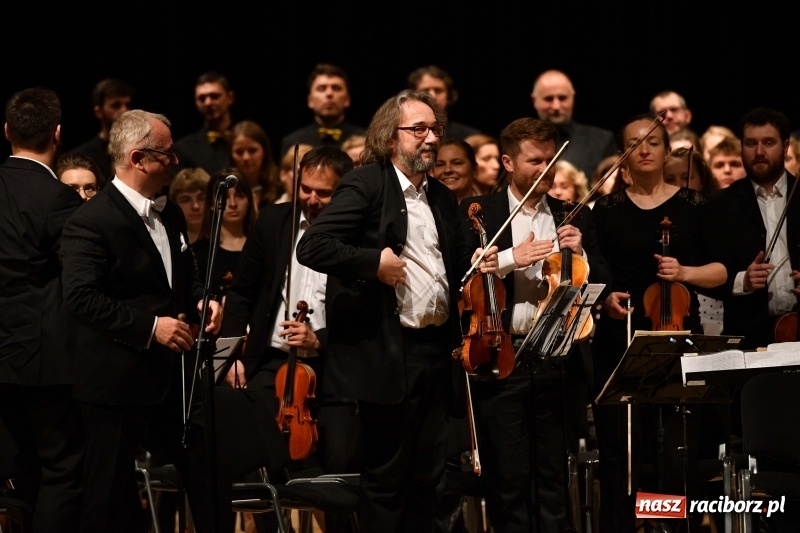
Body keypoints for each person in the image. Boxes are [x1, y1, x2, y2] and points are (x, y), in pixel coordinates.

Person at [295, 89, 499, 532]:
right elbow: (312, 245)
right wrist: (374, 263)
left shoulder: (443, 198)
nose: (431, 138)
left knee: (431, 480)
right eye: (419, 129)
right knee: (387, 480)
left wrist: (481, 262)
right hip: (389, 354)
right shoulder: (366, 183)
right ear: (391, 138)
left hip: (435, 353)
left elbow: (453, 266)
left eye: (436, 129)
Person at [59, 109, 228, 532]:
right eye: (167, 155)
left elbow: (181, 277)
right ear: (138, 158)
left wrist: (202, 300)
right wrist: (153, 328)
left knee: (206, 471)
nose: (176, 161)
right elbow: (80, 299)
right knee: (109, 494)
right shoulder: (91, 221)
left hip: (171, 378)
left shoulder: (168, 214)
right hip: (115, 382)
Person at [457, 117, 611, 532]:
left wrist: (582, 255)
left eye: (551, 160)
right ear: (507, 161)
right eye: (534, 161)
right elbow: (461, 279)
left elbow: (600, 284)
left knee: (554, 481)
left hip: (558, 363)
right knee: (508, 483)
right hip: (502, 358)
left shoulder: (571, 215)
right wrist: (511, 258)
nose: (546, 169)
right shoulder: (480, 213)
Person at [590, 113, 727, 533]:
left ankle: (669, 525)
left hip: (679, 340)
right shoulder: (605, 210)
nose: (644, 149)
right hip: (622, 339)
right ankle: (625, 525)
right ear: (622, 155)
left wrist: (683, 273)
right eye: (634, 143)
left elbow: (722, 271)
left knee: (675, 453)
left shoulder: (695, 206)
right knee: (623, 454)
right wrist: (605, 298)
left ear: (668, 151)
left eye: (653, 142)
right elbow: (594, 272)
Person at [221, 146, 359, 533]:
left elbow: (367, 309)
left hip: (334, 367)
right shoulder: (273, 221)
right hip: (272, 363)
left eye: (324, 193)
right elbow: (243, 294)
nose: (312, 200)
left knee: (337, 464)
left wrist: (321, 340)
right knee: (256, 453)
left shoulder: (358, 232)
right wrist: (234, 356)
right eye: (306, 189)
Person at [703, 107, 800, 532]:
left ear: (786, 147)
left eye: (768, 142)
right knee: (760, 441)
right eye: (751, 143)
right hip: (752, 341)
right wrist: (743, 280)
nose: (759, 151)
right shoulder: (722, 206)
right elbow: (708, 273)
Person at [0, 86, 84, 533]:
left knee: (21, 471)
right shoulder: (58, 199)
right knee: (60, 468)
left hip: (4, 357)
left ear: (7, 131)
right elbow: (80, 277)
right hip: (45, 359)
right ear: (57, 134)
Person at [530, 69, 617, 176]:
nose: (556, 106)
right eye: (548, 99)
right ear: (534, 101)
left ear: (573, 97)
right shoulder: (520, 143)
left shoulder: (602, 140)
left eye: (562, 98)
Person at [191, 169, 256, 306]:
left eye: (240, 195)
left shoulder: (260, 248)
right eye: (225, 197)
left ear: (249, 200)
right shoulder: (199, 252)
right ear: (211, 204)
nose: (232, 204)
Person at [280, 63, 366, 158]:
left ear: (347, 100)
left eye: (336, 88)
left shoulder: (365, 139)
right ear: (310, 101)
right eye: (321, 89)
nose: (329, 93)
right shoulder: (293, 142)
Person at [67, 78, 135, 183]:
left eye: (127, 105)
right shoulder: (80, 157)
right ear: (98, 111)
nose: (125, 111)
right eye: (116, 105)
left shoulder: (140, 151)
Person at [174, 71, 236, 176]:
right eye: (202, 98)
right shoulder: (184, 149)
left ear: (230, 98)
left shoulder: (248, 140)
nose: (208, 103)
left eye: (214, 96)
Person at [408, 65, 481, 140]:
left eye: (438, 90)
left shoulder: (470, 136)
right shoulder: (404, 133)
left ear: (449, 96)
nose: (432, 96)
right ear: (413, 96)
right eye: (425, 91)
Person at [229, 119, 280, 209]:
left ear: (264, 152)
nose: (246, 157)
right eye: (239, 152)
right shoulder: (224, 187)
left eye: (252, 150)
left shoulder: (280, 185)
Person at [169, 167, 211, 244]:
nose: (195, 206)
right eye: (186, 200)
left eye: (202, 198)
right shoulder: (168, 243)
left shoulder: (225, 244)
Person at [433, 137, 481, 203]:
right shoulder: (424, 209)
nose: (447, 170)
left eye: (457, 163)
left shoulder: (490, 209)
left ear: (475, 169)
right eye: (440, 164)